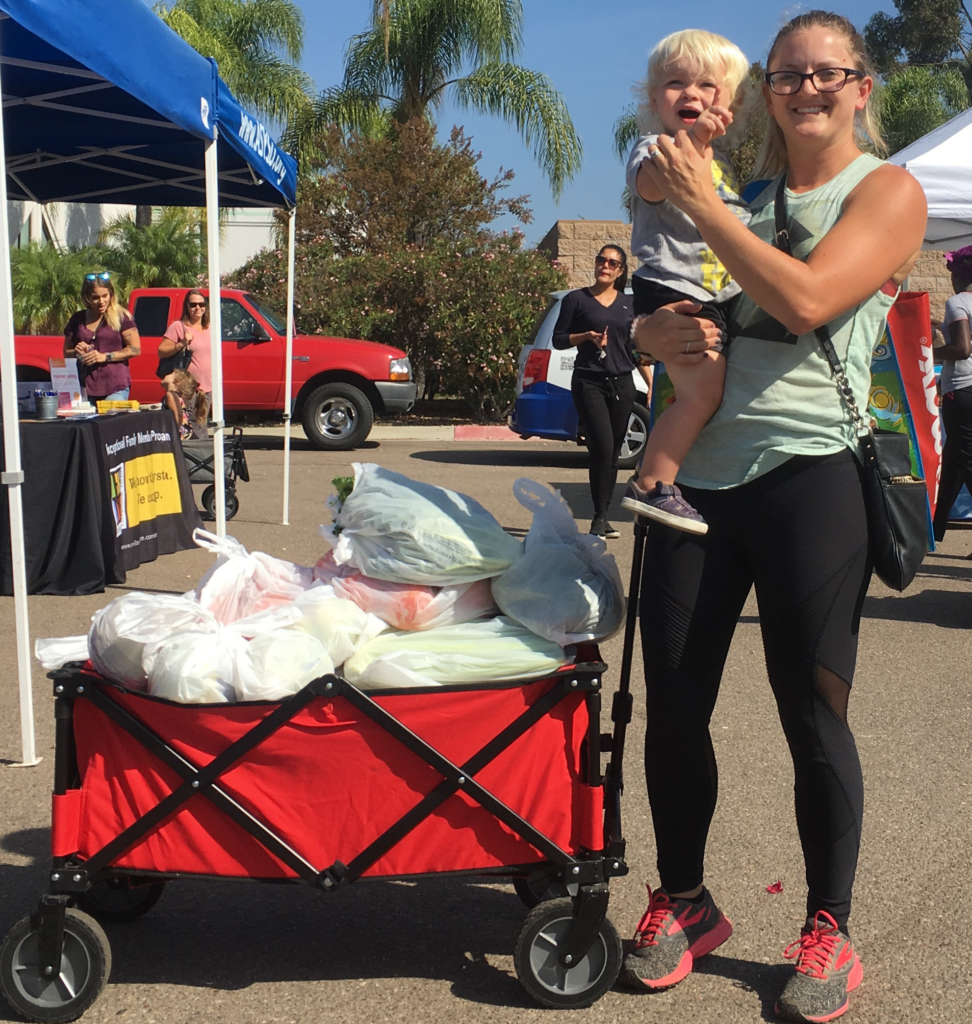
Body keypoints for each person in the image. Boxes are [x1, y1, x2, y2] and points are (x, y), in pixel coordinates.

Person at [622, 12, 926, 1024]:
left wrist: (709, 209)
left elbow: (802, 300)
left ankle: (829, 926)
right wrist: (642, 328)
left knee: (813, 709)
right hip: (696, 479)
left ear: (860, 86)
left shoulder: (885, 193)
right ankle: (685, 898)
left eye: (825, 74)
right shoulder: (737, 191)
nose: (805, 89)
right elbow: (678, 308)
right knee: (673, 700)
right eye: (788, 76)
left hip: (811, 479)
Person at [620, 30, 751, 534]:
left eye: (706, 85)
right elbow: (651, 183)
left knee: (706, 391)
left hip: (710, 295)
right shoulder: (655, 147)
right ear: (654, 98)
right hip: (673, 290)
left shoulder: (723, 168)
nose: (691, 94)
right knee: (701, 394)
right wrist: (691, 143)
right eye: (675, 83)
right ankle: (653, 484)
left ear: (730, 101)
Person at [551, 245, 647, 538]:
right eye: (601, 260)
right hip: (588, 382)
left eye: (612, 263)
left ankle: (603, 517)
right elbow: (558, 340)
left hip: (622, 383)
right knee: (602, 447)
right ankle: (598, 516)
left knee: (614, 452)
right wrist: (586, 337)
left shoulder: (629, 304)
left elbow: (637, 348)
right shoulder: (576, 300)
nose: (605, 265)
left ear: (620, 271)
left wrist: (651, 382)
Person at [932, 246, 972, 550]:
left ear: (959, 275)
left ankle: (932, 531)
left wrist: (928, 353)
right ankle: (934, 531)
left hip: (960, 390)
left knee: (965, 460)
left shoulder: (957, 303)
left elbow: (961, 349)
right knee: (957, 460)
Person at [63, 272, 140, 401]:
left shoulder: (122, 317)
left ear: (111, 294)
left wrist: (105, 356)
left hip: (115, 386)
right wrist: (78, 352)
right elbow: (66, 352)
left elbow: (135, 349)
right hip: (85, 387)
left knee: (110, 418)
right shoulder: (78, 319)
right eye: (95, 297)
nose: (101, 301)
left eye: (105, 296)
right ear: (86, 297)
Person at [157, 289, 212, 396]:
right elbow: (161, 351)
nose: (198, 308)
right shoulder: (178, 326)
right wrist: (181, 343)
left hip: (209, 387)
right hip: (187, 387)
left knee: (203, 413)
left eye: (201, 304)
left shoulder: (210, 328)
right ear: (187, 306)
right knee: (188, 413)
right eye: (193, 304)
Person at [162, 368, 209, 441]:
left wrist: (174, 437)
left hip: (182, 438)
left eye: (171, 374)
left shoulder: (170, 395)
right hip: (186, 435)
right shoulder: (176, 396)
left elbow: (177, 416)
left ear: (176, 380)